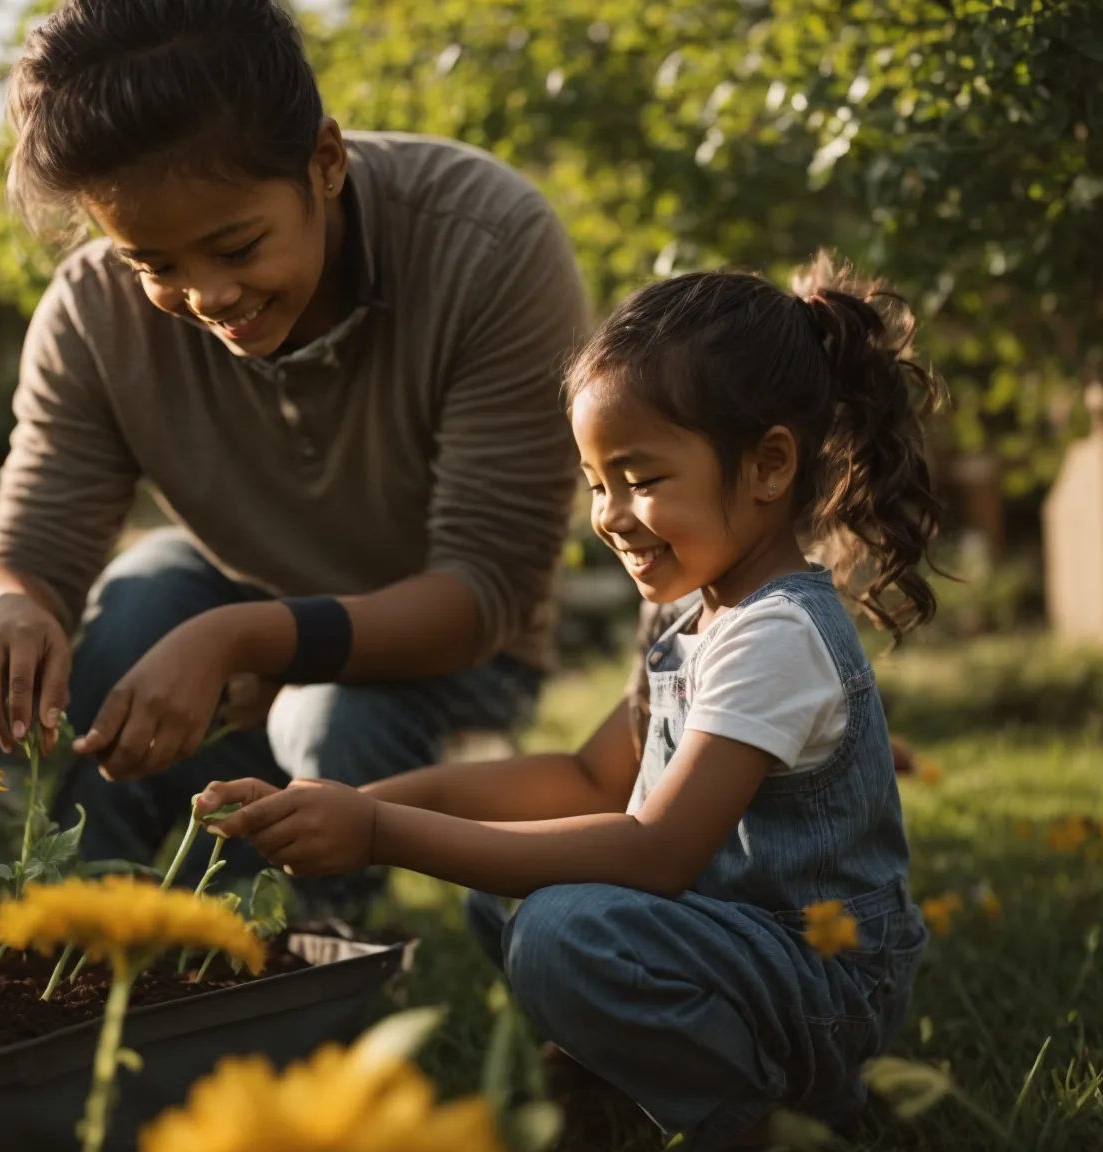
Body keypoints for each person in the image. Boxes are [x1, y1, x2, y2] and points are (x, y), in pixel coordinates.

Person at [201, 253, 944, 1148]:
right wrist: (359, 804)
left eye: (641, 477)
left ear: (768, 465)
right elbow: (591, 776)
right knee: (504, 894)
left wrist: (376, 836)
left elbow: (657, 850)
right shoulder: (689, 612)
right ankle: (627, 1080)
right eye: (597, 484)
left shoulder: (775, 632)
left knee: (562, 927)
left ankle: (760, 1126)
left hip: (821, 987)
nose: (611, 514)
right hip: (733, 955)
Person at [0, 0, 588, 902]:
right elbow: (20, 557)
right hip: (237, 607)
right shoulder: (92, 313)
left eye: (236, 246)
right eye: (152, 265)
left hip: (448, 664)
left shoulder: (488, 246)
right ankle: (69, 944)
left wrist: (243, 639)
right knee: (132, 613)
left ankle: (294, 978)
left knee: (328, 715)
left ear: (324, 162)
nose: (207, 294)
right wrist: (12, 608)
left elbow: (485, 598)